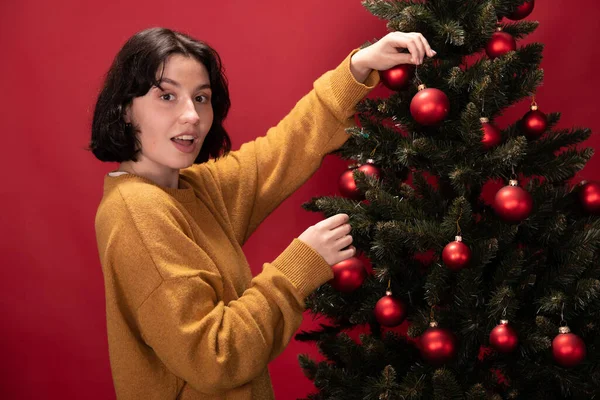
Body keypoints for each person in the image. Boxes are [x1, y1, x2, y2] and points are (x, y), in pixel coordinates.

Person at [90, 26, 435, 400]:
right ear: (125, 108)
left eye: (201, 97)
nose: (191, 115)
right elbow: (215, 357)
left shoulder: (191, 189)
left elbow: (284, 149)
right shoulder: (138, 211)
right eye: (167, 96)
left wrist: (359, 66)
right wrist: (300, 266)